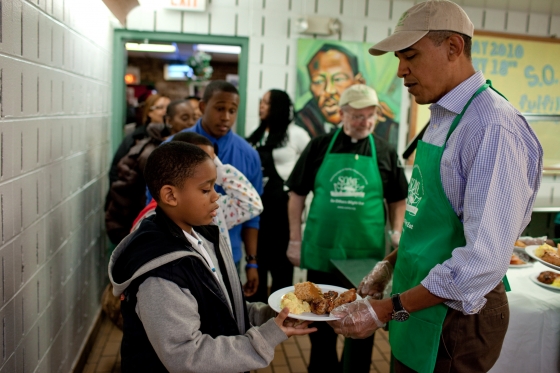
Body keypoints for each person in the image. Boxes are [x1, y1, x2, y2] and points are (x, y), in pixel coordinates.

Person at [328, 2, 543, 373]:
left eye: (410, 56)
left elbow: (481, 261)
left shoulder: (490, 128)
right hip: (416, 300)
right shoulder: (444, 115)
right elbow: (426, 221)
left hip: (455, 319)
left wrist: (387, 309)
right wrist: (388, 266)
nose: (400, 71)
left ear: (454, 48)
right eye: (398, 58)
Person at [108, 142, 316, 373]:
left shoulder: (206, 235)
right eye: (206, 190)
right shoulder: (161, 273)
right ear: (170, 195)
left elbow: (223, 308)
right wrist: (266, 337)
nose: (216, 196)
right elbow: (186, 356)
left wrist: (271, 315)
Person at [286, 84, 408, 373]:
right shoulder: (319, 146)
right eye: (356, 115)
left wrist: (396, 232)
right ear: (340, 113)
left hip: (365, 261)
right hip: (321, 255)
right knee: (320, 327)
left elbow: (397, 199)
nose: (364, 122)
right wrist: (295, 239)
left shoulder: (386, 151)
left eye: (370, 115)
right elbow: (296, 196)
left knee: (361, 330)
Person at [173, 81, 263, 297]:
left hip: (227, 256)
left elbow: (252, 214)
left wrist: (252, 262)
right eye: (219, 108)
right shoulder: (172, 147)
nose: (226, 117)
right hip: (179, 257)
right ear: (203, 107)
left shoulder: (248, 154)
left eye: (232, 111)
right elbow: (156, 202)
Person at [131, 131, 263, 256]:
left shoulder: (213, 211)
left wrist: (220, 170)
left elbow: (252, 205)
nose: (216, 196)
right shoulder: (150, 231)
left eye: (212, 161)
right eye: (205, 190)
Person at [246, 89, 311, 302]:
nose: (261, 106)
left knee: (281, 265)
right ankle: (257, 314)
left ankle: (282, 314)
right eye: (261, 102)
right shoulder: (258, 134)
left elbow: (311, 167)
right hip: (257, 210)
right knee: (258, 262)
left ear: (279, 107)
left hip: (281, 210)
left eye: (266, 103)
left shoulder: (296, 134)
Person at [105, 100, 193, 244]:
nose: (191, 123)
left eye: (195, 118)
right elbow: (125, 196)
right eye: (184, 118)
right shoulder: (152, 153)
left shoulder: (185, 149)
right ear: (169, 120)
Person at [295, 44, 364, 138]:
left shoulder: (382, 127)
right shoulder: (300, 122)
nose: (329, 90)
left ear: (358, 83)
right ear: (311, 87)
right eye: (318, 81)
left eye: (339, 79)